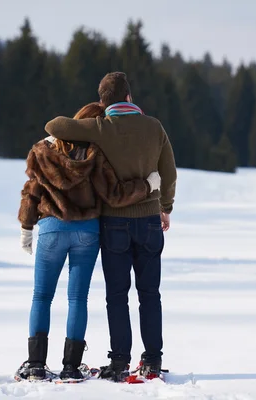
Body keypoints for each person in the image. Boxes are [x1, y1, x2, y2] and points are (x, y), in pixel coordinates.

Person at [44, 72, 177, 381]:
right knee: (150, 294)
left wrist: (97, 116)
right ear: (129, 97)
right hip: (148, 221)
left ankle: (119, 361)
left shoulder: (100, 127)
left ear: (103, 102)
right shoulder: (154, 127)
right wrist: (165, 208)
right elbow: (168, 174)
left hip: (114, 223)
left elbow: (54, 126)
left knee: (117, 295)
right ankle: (153, 361)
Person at [15, 102, 161, 382]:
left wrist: (26, 226)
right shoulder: (96, 156)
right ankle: (71, 367)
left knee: (41, 296)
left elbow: (31, 191)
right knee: (77, 298)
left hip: (51, 228)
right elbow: (116, 195)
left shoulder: (44, 150)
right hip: (87, 231)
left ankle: (35, 365)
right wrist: (148, 185)